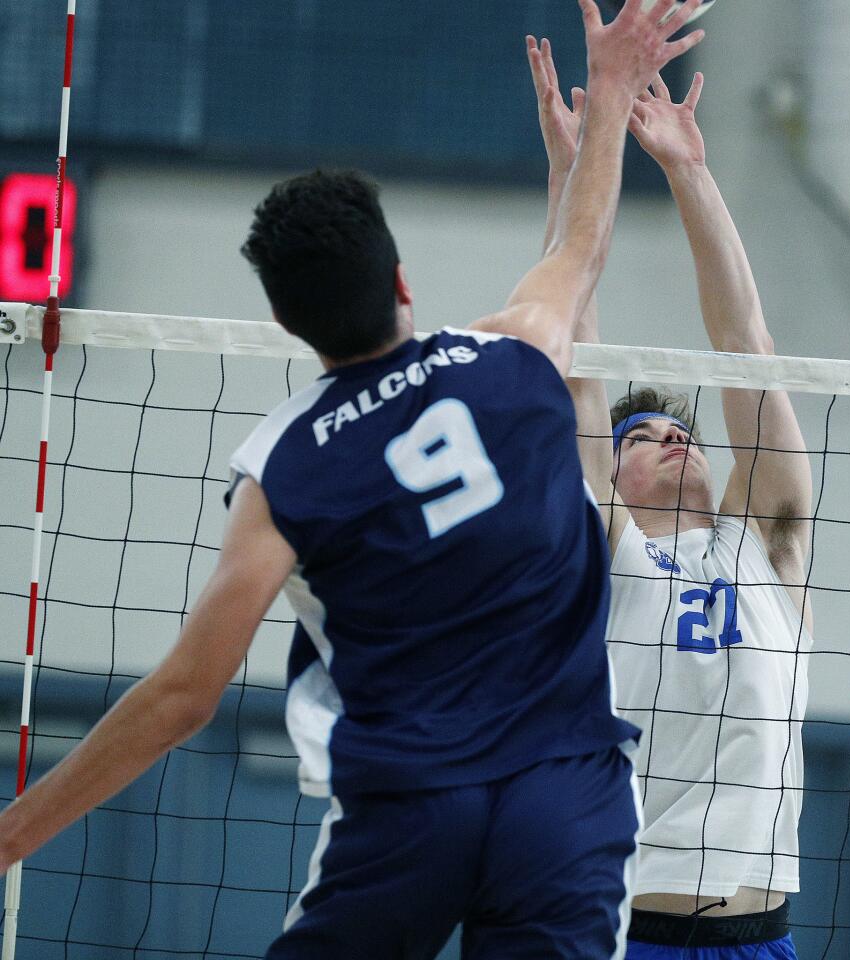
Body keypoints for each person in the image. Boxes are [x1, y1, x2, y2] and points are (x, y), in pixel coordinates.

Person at [0, 2, 705, 957]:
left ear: (290, 325)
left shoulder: (281, 469)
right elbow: (575, 256)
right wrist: (613, 89)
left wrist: (12, 837)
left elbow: (183, 699)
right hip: (563, 794)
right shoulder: (512, 357)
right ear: (403, 280)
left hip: (408, 815)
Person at [528, 38, 810, 960]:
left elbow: (743, 340)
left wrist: (690, 169)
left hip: (762, 937)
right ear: (607, 480)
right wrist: (576, 174)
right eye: (638, 439)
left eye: (675, 431)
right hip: (628, 938)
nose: (670, 438)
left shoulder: (765, 545)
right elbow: (570, 347)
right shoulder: (610, 555)